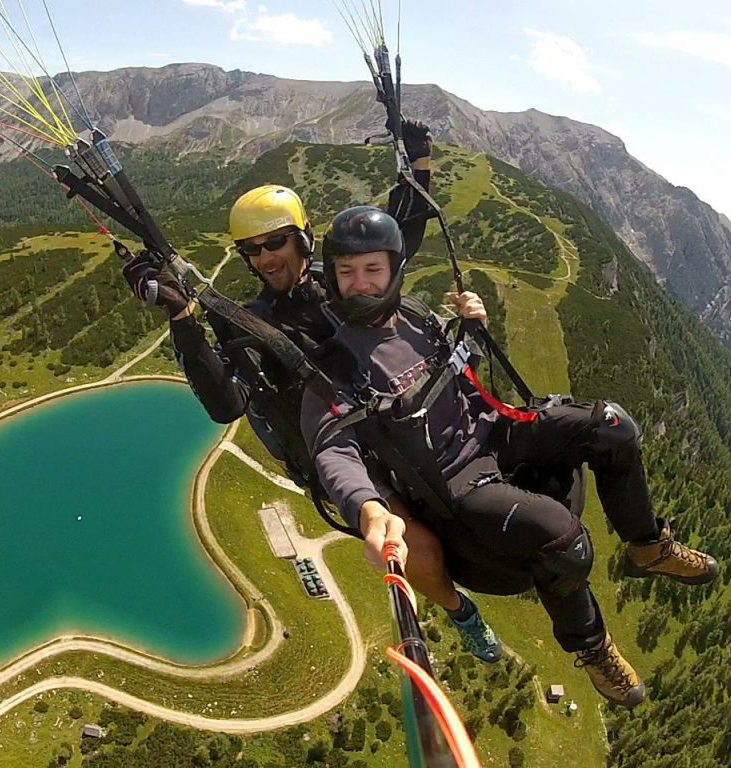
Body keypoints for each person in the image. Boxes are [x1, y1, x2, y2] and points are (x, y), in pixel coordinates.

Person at [301, 206, 720, 708]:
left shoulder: (414, 316)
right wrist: (367, 507)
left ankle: (648, 546)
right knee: (563, 541)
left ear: (394, 270)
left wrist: (472, 331)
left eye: (373, 270)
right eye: (346, 272)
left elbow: (460, 379)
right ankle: (592, 648)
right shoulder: (334, 366)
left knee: (611, 427)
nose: (360, 284)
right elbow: (333, 448)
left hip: (496, 433)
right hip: (456, 482)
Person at [121, 123, 502, 663]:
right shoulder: (251, 324)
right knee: (419, 548)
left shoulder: (340, 280)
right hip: (342, 455)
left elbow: (400, 242)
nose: (264, 258)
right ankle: (459, 611)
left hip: (395, 421)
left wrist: (419, 164)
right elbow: (226, 403)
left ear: (302, 238)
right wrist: (182, 317)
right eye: (250, 251)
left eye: (274, 242)